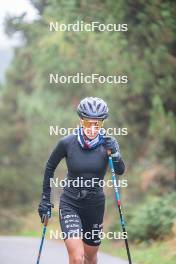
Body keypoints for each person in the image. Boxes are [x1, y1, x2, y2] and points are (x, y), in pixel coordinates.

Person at [38, 97, 125, 264]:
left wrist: (115, 153)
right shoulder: (67, 143)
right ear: (81, 121)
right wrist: (45, 199)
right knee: (77, 258)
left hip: (95, 205)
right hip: (71, 203)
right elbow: (50, 167)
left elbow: (120, 170)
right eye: (88, 123)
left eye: (97, 124)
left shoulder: (108, 144)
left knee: (90, 259)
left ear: (102, 123)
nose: (92, 128)